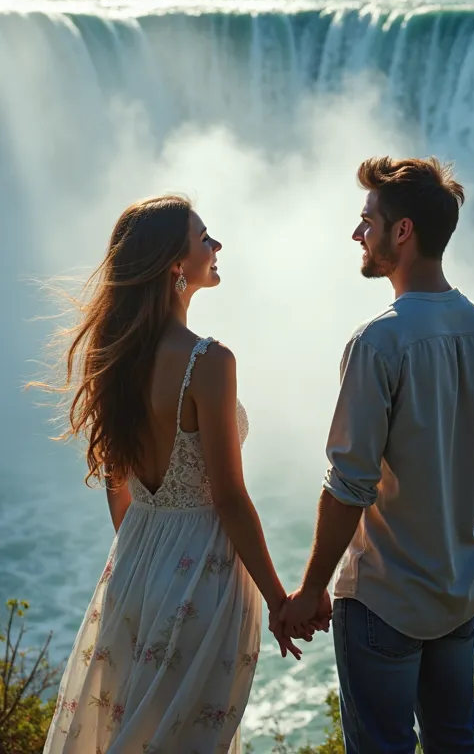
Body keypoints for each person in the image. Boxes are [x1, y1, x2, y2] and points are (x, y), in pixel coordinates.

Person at [40, 195, 305, 754]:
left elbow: (118, 484)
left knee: (128, 728)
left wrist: (144, 560)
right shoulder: (208, 361)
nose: (217, 246)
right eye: (204, 238)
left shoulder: (114, 355)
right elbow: (230, 499)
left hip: (135, 564)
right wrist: (279, 602)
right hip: (201, 575)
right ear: (175, 266)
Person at [279, 156, 474, 754]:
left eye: (367, 221)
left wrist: (310, 592)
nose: (358, 233)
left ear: (401, 231)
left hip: (385, 597)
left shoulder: (379, 341)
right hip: (457, 586)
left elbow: (350, 484)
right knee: (457, 740)